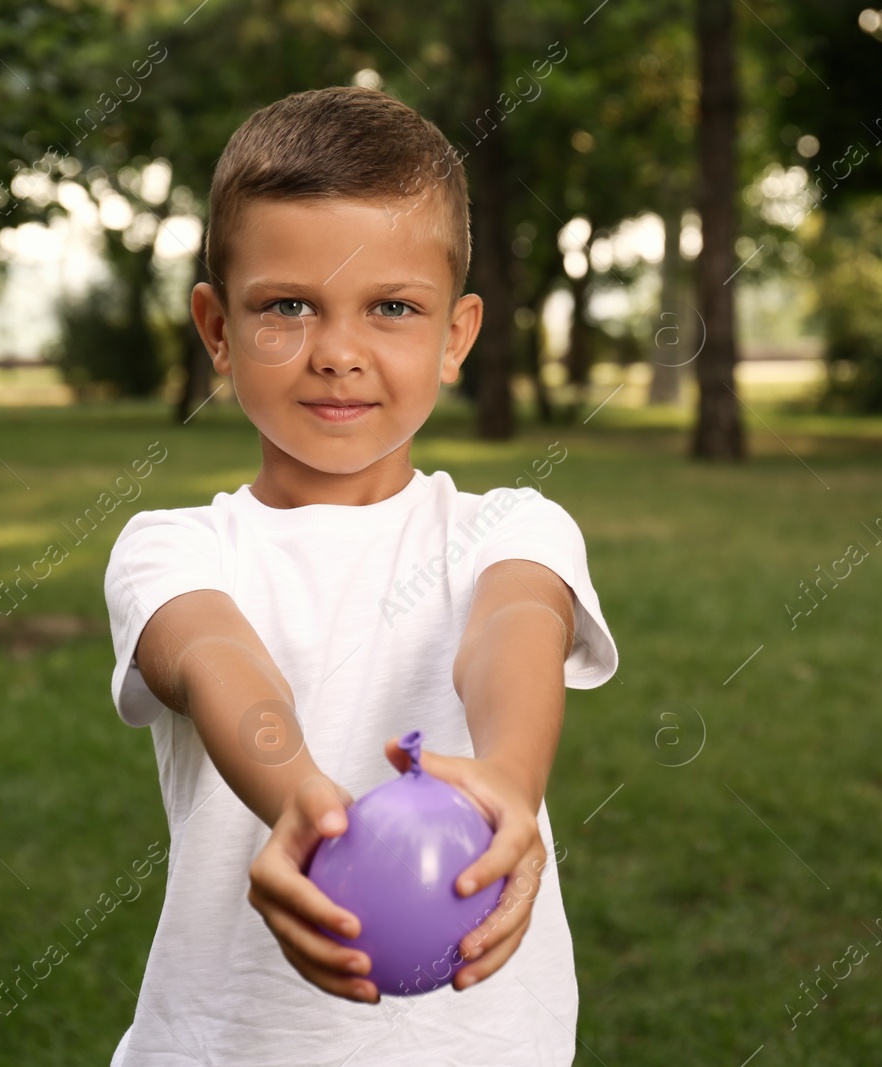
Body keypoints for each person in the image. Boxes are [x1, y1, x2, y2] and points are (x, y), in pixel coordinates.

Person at [102, 85, 618, 1066]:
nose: (336, 352)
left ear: (455, 334)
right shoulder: (171, 546)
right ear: (216, 328)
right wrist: (302, 796)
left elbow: (513, 631)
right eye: (286, 306)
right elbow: (214, 656)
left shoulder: (514, 525)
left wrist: (508, 778)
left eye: (391, 306)